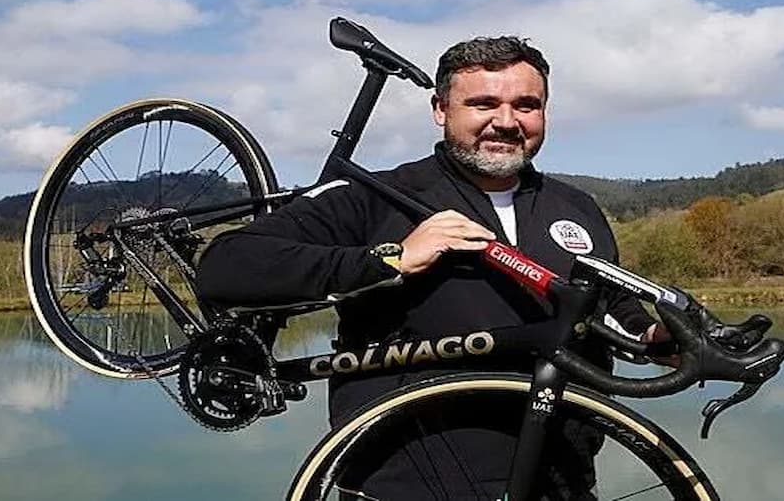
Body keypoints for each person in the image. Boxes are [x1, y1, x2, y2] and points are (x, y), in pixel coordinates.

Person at [197, 36, 662, 499]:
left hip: (560, 482)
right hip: (402, 484)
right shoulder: (376, 197)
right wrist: (390, 258)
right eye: (483, 104)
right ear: (440, 110)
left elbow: (611, 308)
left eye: (526, 105)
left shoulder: (577, 207)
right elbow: (227, 265)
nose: (506, 122)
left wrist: (653, 337)